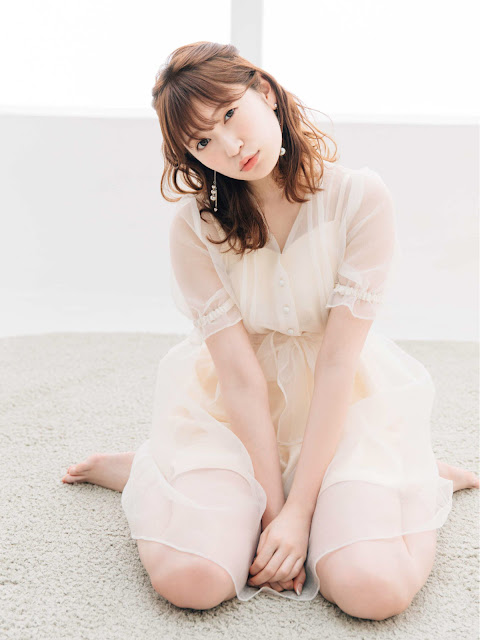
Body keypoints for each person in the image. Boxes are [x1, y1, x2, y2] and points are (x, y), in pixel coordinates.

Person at [61, 41, 479, 617]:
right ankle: (153, 469)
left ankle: (419, 477)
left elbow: (338, 363)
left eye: (230, 114)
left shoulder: (359, 198)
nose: (230, 147)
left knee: (373, 590)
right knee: (193, 581)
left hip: (341, 405)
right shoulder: (195, 228)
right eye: (202, 142)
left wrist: (299, 514)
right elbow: (238, 375)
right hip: (234, 413)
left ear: (265, 92)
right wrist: (270, 511)